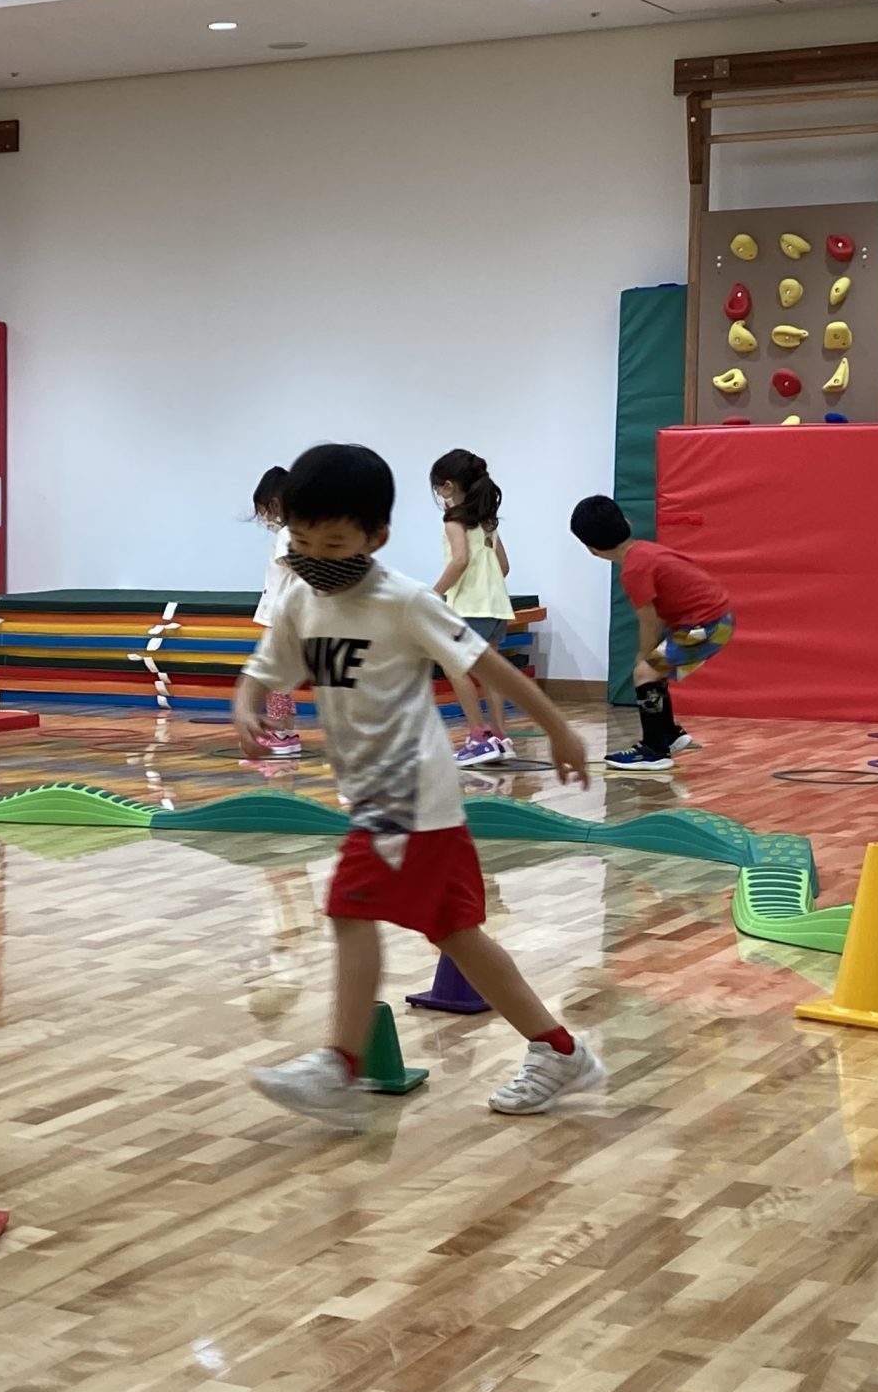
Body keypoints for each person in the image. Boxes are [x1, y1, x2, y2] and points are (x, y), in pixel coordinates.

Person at [235, 444, 603, 1124]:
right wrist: (246, 704)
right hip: (375, 796)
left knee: (350, 909)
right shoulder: (300, 599)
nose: (314, 556)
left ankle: (340, 1067)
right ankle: (558, 1050)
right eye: (302, 541)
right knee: (457, 935)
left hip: (411, 796)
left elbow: (488, 664)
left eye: (333, 543)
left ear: (375, 536)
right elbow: (264, 667)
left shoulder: (402, 601)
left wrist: (559, 729)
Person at [570, 495, 732, 773]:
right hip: (716, 620)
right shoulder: (645, 552)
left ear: (592, 549)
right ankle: (668, 734)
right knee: (653, 672)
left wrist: (643, 656)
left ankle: (655, 750)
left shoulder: (635, 569)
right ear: (627, 522)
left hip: (707, 625)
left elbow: (650, 621)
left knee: (645, 672)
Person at [430, 450, 515, 766]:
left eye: (438, 488)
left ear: (448, 487)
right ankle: (500, 737)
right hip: (496, 607)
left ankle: (479, 736)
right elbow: (503, 566)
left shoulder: (454, 520)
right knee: (490, 674)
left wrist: (434, 593)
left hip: (469, 606)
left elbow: (460, 560)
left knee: (455, 668)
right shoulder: (487, 521)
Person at [249, 466, 303, 759]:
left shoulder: (286, 534)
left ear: (275, 503)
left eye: (263, 511)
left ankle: (281, 733)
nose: (263, 519)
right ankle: (286, 732)